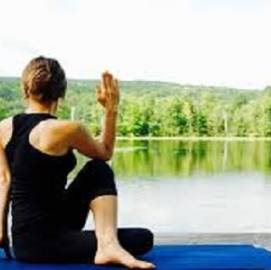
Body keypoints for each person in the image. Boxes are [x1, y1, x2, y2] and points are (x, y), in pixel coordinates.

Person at [0, 56, 155, 269]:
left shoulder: (3, 128)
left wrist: (1, 233)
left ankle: (106, 244)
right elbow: (105, 152)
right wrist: (111, 110)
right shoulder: (68, 129)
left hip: (24, 243)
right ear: (61, 92)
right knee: (142, 237)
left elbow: (4, 181)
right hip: (45, 244)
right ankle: (108, 245)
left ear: (25, 89)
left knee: (96, 171)